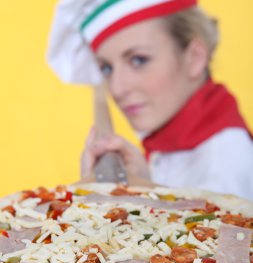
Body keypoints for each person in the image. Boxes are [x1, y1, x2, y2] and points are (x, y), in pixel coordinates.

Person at [47, 0, 253, 200]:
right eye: (107, 68)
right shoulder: (172, 149)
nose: (117, 89)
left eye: (139, 60)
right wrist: (141, 187)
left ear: (195, 57)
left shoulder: (224, 166)